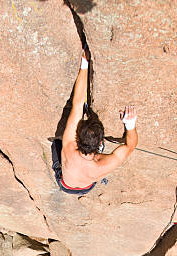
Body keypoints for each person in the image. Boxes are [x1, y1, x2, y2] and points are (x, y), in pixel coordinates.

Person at [52, 48, 138, 196]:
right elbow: (130, 146)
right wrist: (130, 125)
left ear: (77, 138)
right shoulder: (103, 165)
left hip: (66, 184)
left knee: (56, 144)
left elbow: (77, 103)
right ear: (99, 144)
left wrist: (84, 64)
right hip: (88, 185)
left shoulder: (69, 148)